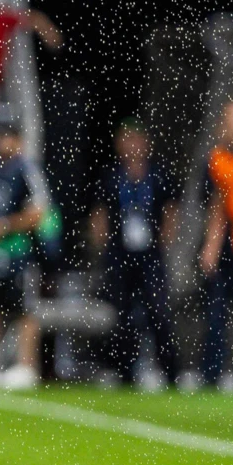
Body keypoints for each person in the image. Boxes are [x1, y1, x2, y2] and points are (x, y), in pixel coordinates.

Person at [89, 119, 178, 388]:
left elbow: (171, 209)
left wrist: (164, 239)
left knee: (157, 310)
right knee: (121, 313)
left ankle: (170, 371)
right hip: (120, 253)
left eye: (136, 140)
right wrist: (102, 243)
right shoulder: (112, 176)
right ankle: (123, 370)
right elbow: (99, 212)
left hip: (150, 253)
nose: (131, 147)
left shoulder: (158, 174)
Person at [0, 123, 50, 390]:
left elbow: (39, 212)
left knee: (24, 310)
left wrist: (4, 226)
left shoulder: (26, 171)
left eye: (7, 138)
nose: (1, 144)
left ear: (17, 141)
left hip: (20, 253)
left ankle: (26, 365)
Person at [200, 99, 233, 392]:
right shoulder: (219, 159)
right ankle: (212, 373)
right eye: (228, 120)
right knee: (219, 309)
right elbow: (218, 206)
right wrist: (210, 247)